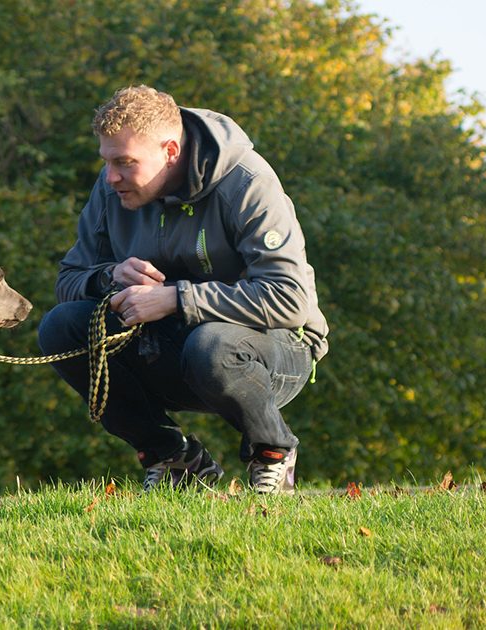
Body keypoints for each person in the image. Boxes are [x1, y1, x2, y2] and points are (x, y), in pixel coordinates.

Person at [37, 85, 329, 494]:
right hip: (171, 350)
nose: (111, 177)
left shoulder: (247, 183)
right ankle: (174, 459)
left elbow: (289, 299)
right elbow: (68, 281)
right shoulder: (111, 189)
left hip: (272, 352)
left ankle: (273, 454)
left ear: (170, 151)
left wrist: (176, 298)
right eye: (106, 162)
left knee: (211, 345)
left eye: (125, 163)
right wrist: (112, 275)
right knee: (60, 327)